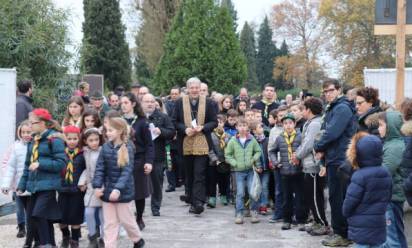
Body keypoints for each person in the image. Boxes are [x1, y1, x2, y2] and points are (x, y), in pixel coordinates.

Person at [314, 79, 357, 247]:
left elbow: (331, 133)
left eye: (330, 90)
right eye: (325, 92)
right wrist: (322, 151)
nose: (327, 94)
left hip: (341, 159)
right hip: (333, 158)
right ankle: (339, 231)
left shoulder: (342, 108)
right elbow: (325, 131)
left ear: (338, 90)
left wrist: (318, 146)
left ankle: (343, 234)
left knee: (338, 197)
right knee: (335, 197)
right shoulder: (333, 108)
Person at [17, 108, 67, 247]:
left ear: (43, 123)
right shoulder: (33, 141)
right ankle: (50, 243)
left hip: (49, 186)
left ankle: (46, 244)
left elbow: (61, 163)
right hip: (35, 187)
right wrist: (21, 185)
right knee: (41, 218)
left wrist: (40, 164)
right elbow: (28, 165)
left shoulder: (54, 139)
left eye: (32, 123)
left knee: (38, 215)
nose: (29, 125)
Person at [92, 117, 145, 248]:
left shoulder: (128, 147)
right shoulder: (105, 147)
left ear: (120, 131)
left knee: (126, 221)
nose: (107, 133)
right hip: (107, 191)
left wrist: (118, 189)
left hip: (123, 192)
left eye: (111, 130)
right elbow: (100, 168)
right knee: (110, 223)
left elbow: (127, 172)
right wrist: (97, 186)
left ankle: (137, 240)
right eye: (106, 130)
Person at [172, 77, 217, 215]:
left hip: (202, 142)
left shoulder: (208, 103)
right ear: (187, 89)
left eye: (197, 87)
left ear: (200, 88)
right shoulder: (180, 102)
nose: (194, 90)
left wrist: (202, 127)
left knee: (199, 173)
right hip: (185, 142)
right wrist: (184, 129)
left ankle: (198, 202)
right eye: (191, 87)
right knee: (189, 174)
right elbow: (174, 121)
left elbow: (214, 122)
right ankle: (192, 200)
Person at [342, 133, 392, 248]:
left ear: (359, 154)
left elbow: (350, 201)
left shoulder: (359, 176)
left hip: (361, 225)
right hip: (379, 222)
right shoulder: (386, 172)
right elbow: (388, 197)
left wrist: (346, 213)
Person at [295, 98, 329, 235]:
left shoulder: (315, 124)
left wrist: (297, 156)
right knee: (311, 196)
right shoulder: (310, 123)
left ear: (309, 110)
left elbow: (309, 144)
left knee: (315, 197)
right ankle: (316, 221)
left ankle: (322, 224)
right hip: (308, 164)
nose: (302, 111)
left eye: (303, 109)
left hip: (313, 165)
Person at [121, 93, 154, 230]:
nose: (123, 105)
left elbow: (149, 144)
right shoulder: (118, 121)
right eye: (121, 103)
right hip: (122, 159)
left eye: (126, 102)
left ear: (133, 104)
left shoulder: (142, 121)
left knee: (139, 192)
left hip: (138, 159)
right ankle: (124, 219)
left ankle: (139, 217)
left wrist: (149, 162)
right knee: (122, 190)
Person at [377, 111, 408, 247]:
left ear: (391, 126)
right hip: (391, 195)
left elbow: (384, 172)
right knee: (396, 232)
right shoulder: (390, 143)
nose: (378, 128)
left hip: (392, 196)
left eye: (381, 125)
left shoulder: (395, 146)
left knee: (392, 237)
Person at [269, 113, 305, 230]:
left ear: (294, 124)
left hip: (299, 172)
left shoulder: (301, 136)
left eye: (290, 123)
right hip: (284, 172)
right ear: (282, 125)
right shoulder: (280, 138)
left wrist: (302, 161)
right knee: (286, 198)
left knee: (300, 197)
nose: (288, 126)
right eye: (285, 123)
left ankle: (300, 220)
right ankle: (287, 220)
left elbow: (305, 151)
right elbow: (272, 151)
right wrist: (275, 163)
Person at [141, 94, 175, 216]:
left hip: (157, 154)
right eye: (147, 101)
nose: (149, 104)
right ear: (142, 103)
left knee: (156, 182)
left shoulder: (163, 117)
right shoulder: (138, 117)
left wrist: (161, 131)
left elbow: (172, 132)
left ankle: (155, 208)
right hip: (140, 154)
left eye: (152, 101)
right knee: (139, 182)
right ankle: (139, 208)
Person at [225, 117, 262, 224]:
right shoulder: (233, 141)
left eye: (244, 126)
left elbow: (258, 151)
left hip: (250, 170)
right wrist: (234, 163)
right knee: (240, 193)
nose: (242, 128)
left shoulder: (251, 139)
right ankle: (239, 214)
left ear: (247, 127)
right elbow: (228, 155)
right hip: (238, 171)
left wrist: (253, 159)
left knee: (252, 192)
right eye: (240, 126)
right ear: (236, 127)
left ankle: (254, 212)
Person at [1, 121, 32, 241]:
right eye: (23, 132)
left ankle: (31, 228)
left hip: (31, 185)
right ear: (19, 133)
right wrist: (6, 184)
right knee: (19, 209)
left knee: (30, 209)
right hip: (17, 185)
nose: (25, 134)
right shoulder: (15, 147)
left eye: (28, 132)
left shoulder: (36, 146)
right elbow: (8, 166)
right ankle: (21, 227)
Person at [58, 126, 86, 248]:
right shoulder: (60, 152)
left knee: (76, 218)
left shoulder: (82, 153)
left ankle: (75, 240)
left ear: (78, 138)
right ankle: (65, 236)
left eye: (75, 138)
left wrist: (84, 183)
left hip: (77, 191)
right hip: (62, 189)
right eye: (69, 139)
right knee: (61, 218)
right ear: (65, 139)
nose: (72, 141)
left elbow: (87, 170)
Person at [78, 127, 105, 248]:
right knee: (88, 212)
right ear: (85, 141)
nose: (94, 142)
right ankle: (92, 236)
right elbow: (86, 169)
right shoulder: (85, 152)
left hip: (103, 186)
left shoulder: (104, 151)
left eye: (96, 139)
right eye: (91, 140)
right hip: (90, 186)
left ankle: (103, 239)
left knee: (102, 214)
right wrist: (82, 181)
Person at [268, 105, 288, 223]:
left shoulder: (293, 129)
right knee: (279, 190)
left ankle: (290, 214)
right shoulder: (273, 131)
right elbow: (270, 149)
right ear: (276, 118)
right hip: (278, 165)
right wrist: (274, 162)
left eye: (285, 115)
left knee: (290, 191)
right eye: (280, 116)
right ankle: (278, 213)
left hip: (290, 165)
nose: (283, 118)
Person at [207, 114, 231, 208]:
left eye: (221, 122)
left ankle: (223, 195)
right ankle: (212, 198)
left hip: (225, 162)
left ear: (224, 123)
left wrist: (227, 158)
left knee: (224, 180)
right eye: (217, 122)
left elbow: (230, 148)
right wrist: (215, 159)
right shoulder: (210, 135)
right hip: (213, 163)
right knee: (212, 180)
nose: (219, 124)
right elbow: (209, 149)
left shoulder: (228, 136)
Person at [250, 122, 270, 215]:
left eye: (262, 126)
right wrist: (256, 167)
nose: (262, 128)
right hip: (255, 170)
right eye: (259, 127)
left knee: (264, 186)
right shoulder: (252, 141)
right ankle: (255, 206)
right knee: (255, 187)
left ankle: (263, 205)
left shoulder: (267, 140)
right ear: (254, 130)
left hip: (266, 169)